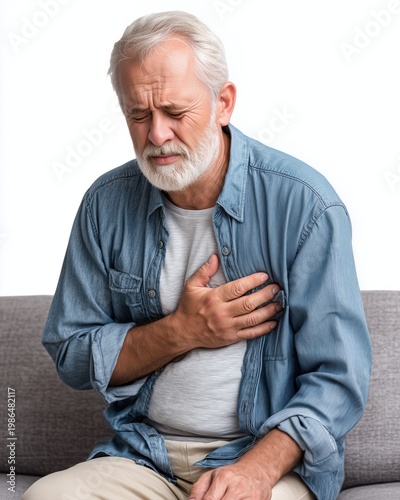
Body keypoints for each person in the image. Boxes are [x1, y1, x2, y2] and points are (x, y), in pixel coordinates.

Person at [23, 10, 371, 500]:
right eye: (138, 116)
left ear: (223, 103)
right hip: (145, 456)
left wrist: (255, 471)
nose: (157, 135)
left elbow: (338, 378)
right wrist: (182, 331)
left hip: (260, 460)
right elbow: (71, 354)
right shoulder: (104, 205)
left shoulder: (305, 205)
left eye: (174, 112)